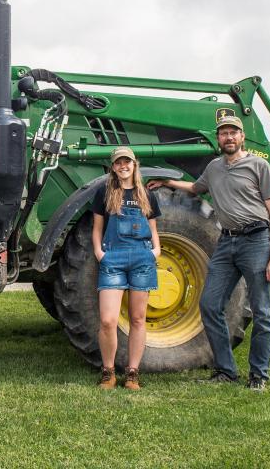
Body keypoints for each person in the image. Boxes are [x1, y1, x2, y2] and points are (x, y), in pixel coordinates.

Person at [148, 114, 270, 391]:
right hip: (226, 242)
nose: (229, 137)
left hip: (256, 240)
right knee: (209, 305)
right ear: (218, 138)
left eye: (234, 132)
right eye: (224, 133)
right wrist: (167, 183)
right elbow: (196, 188)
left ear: (242, 137)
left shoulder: (259, 166)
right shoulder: (214, 167)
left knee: (262, 311)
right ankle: (225, 370)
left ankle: (259, 375)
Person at [92, 146, 161, 390]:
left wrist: (156, 250)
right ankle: (108, 371)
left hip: (142, 259)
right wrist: (100, 253)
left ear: (134, 164)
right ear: (113, 167)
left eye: (127, 162)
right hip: (113, 259)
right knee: (108, 320)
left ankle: (132, 373)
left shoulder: (146, 194)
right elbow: (97, 228)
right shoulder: (105, 192)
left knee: (138, 318)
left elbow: (152, 228)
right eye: (118, 162)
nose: (123, 166)